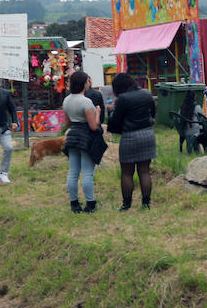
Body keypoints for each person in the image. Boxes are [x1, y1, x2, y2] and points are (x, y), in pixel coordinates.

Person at [108, 72, 157, 211]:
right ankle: (146, 203)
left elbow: (116, 120)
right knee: (144, 171)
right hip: (148, 134)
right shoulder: (147, 93)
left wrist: (110, 112)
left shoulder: (122, 99)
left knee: (127, 172)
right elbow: (152, 113)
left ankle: (126, 204)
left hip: (130, 136)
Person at [61, 70, 102, 212]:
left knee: (73, 172)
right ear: (84, 84)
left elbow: (67, 123)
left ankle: (74, 203)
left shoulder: (66, 100)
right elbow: (93, 126)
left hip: (73, 137)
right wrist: (98, 113)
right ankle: (90, 204)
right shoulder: (86, 101)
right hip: (86, 138)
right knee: (87, 173)